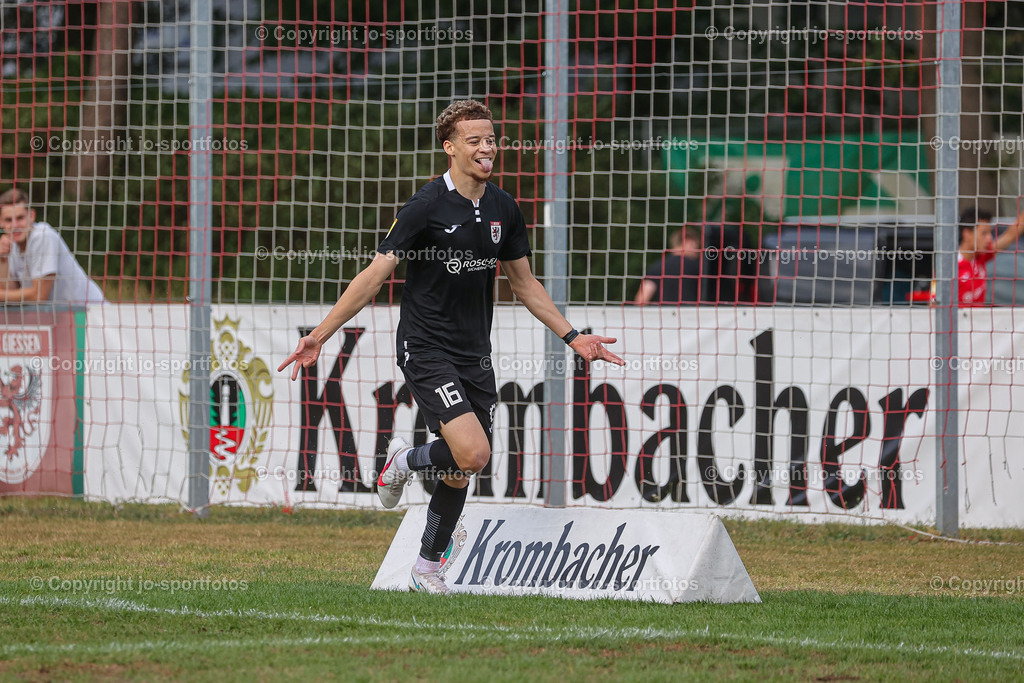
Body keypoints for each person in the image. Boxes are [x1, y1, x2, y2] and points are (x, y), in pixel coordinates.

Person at [278, 99, 625, 595]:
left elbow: (524, 285)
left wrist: (574, 336)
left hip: (475, 353)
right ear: (450, 147)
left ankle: (426, 569)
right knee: (473, 452)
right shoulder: (424, 207)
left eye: (491, 139)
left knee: (463, 467)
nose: (487, 148)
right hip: (425, 347)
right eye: (474, 140)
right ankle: (403, 464)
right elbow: (374, 276)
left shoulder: (504, 207)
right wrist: (321, 333)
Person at [0, 188, 106, 306]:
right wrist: (2, 259)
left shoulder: (43, 236)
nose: (15, 225)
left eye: (20, 218)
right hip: (62, 315)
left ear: (32, 216)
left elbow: (39, 296)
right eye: (8, 220)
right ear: (1, 222)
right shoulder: (13, 244)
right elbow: (12, 293)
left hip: (92, 312)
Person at [956, 207, 1024, 307]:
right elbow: (936, 305)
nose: (989, 238)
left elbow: (1010, 235)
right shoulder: (951, 267)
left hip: (980, 316)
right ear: (967, 234)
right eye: (984, 233)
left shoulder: (981, 256)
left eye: (990, 233)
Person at [633, 225, 703, 305]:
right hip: (691, 312)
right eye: (697, 246)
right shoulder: (699, 268)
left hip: (663, 312)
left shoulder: (658, 267)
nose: (698, 251)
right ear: (689, 243)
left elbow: (641, 300)